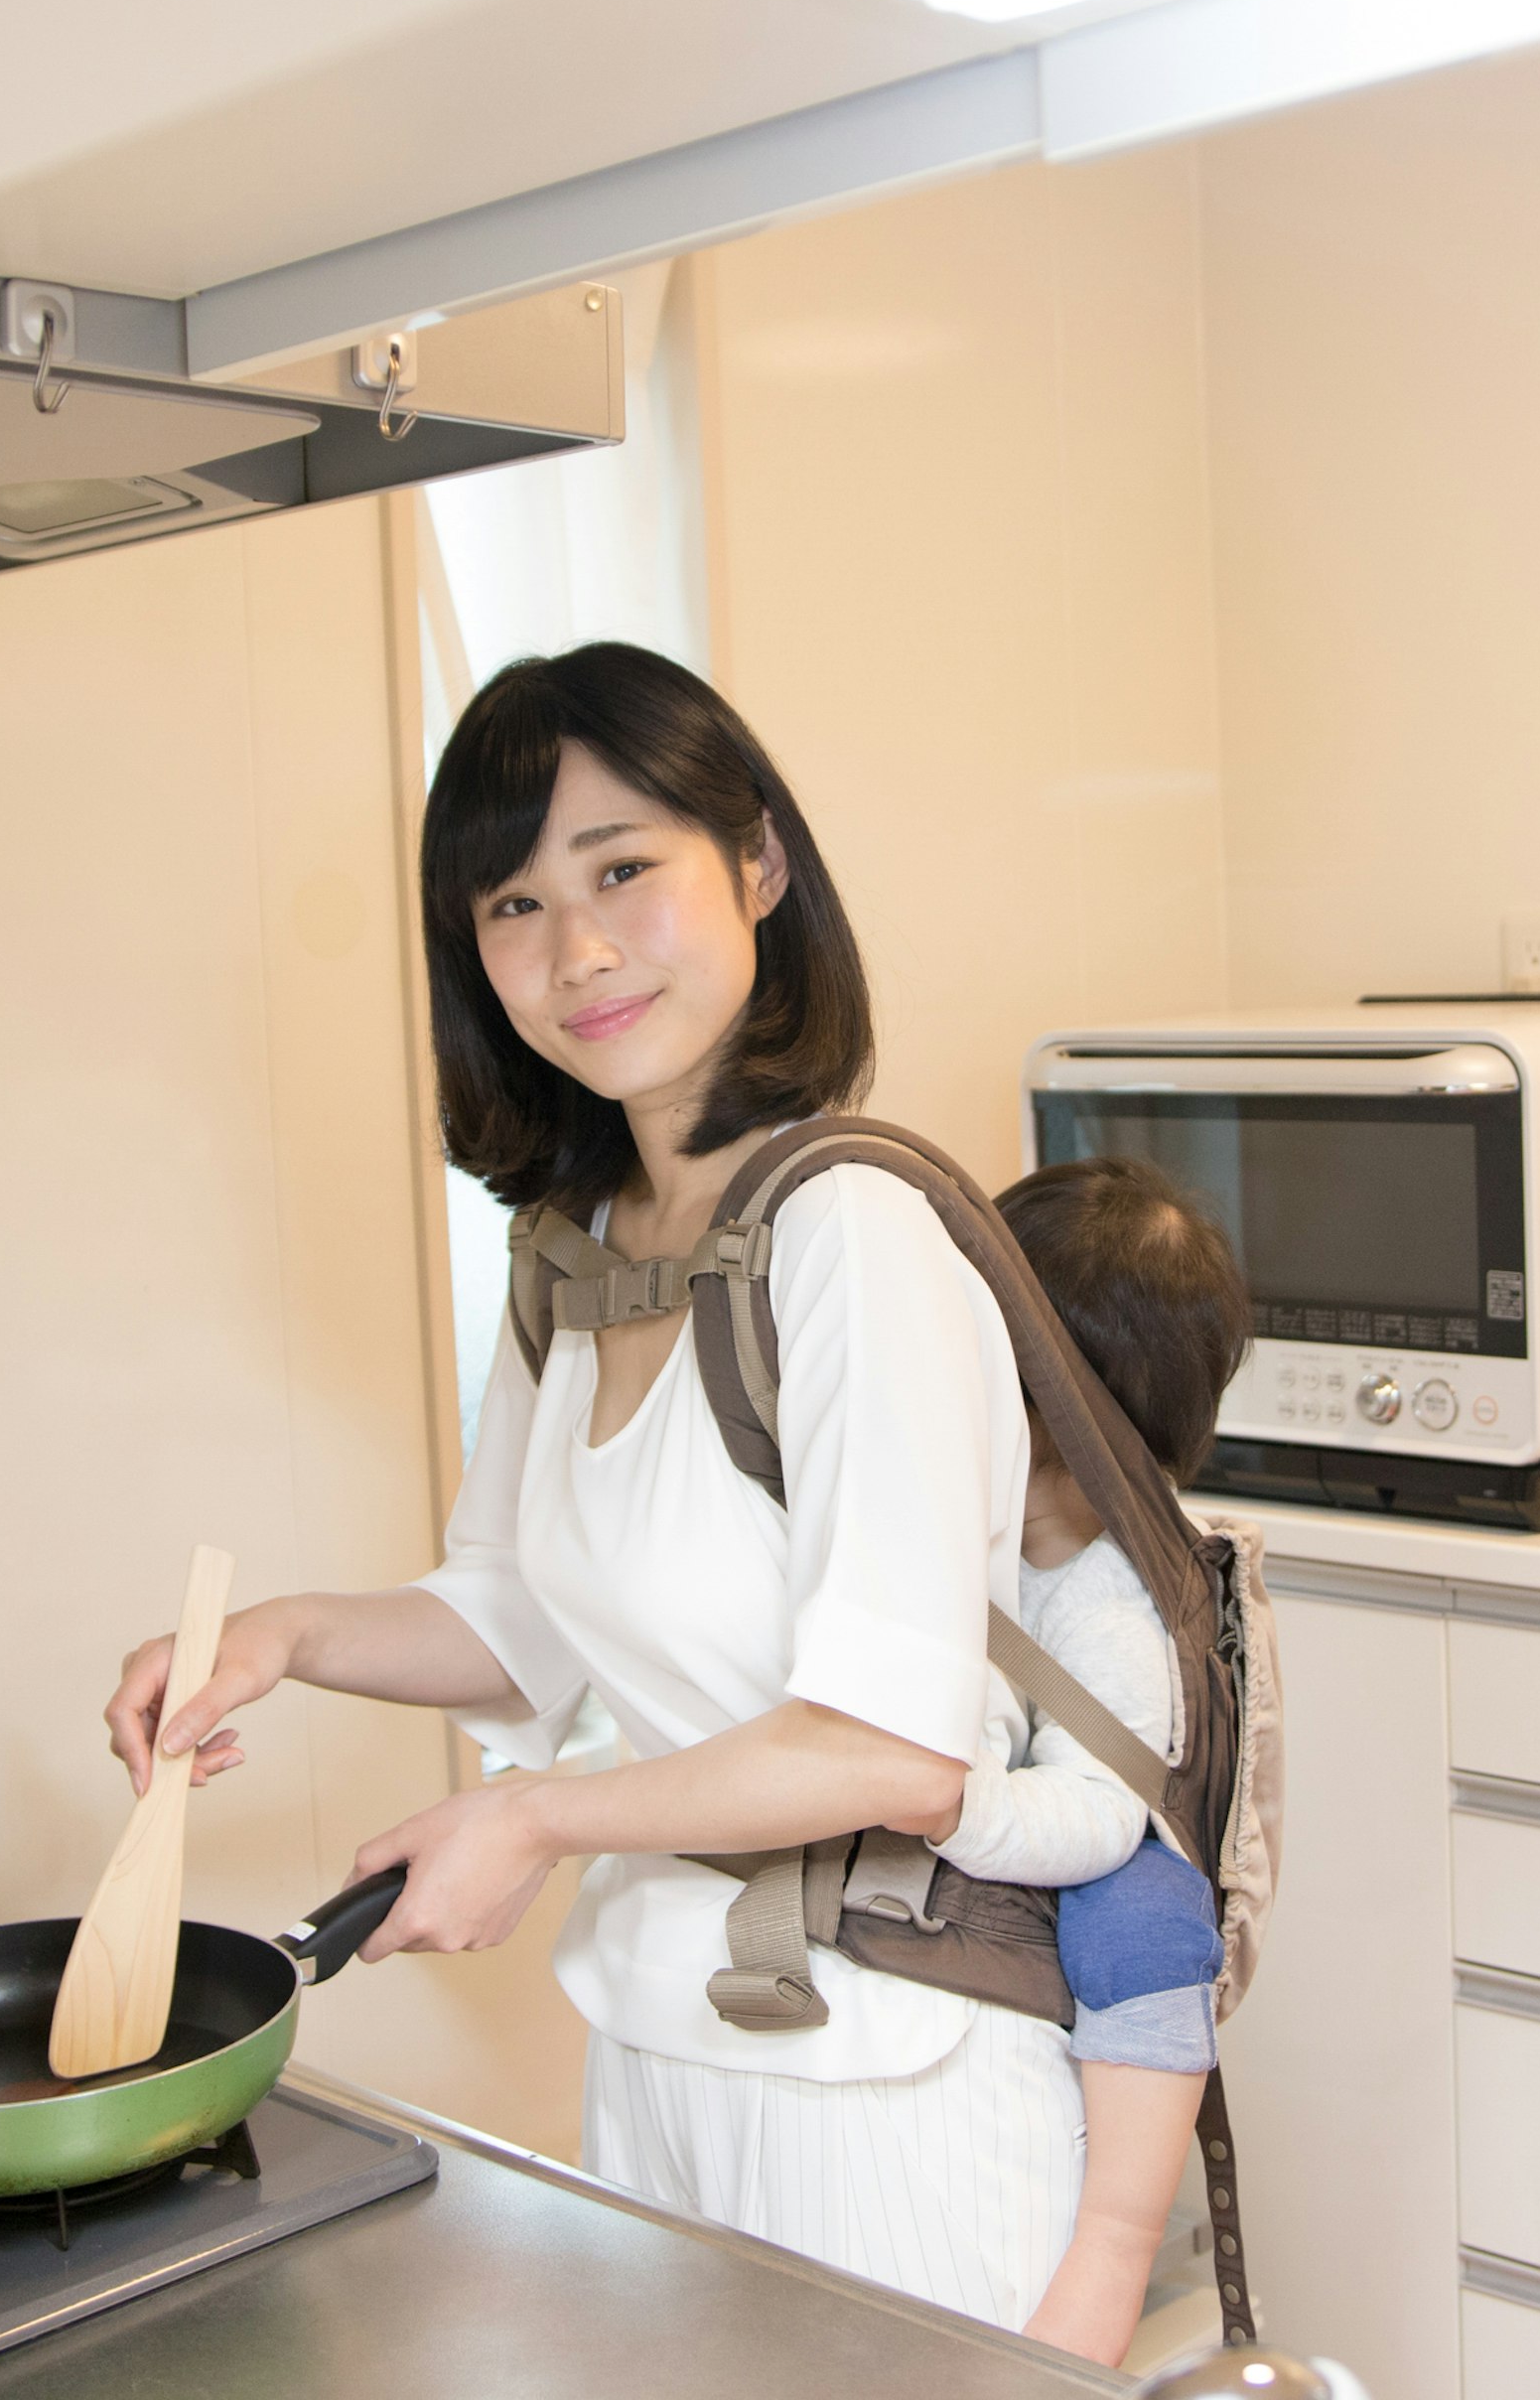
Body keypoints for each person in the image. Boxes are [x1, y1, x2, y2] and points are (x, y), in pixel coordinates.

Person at [101, 641, 1081, 2330]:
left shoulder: (853, 1234)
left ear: (757, 865)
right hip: (656, 2041)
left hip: (886, 2075)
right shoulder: (573, 1255)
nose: (576, 951)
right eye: (511, 906)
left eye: (624, 869)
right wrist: (284, 1635)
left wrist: (534, 1817)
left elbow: (894, 1747)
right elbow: (525, 1622)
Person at [918, 1154, 1244, 2366]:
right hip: (1004, 1801)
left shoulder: (1110, 1602)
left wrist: (949, 1804)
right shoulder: (976, 1515)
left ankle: (1115, 2244)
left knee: (1150, 1918)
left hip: (1095, 1833)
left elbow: (1098, 1815)